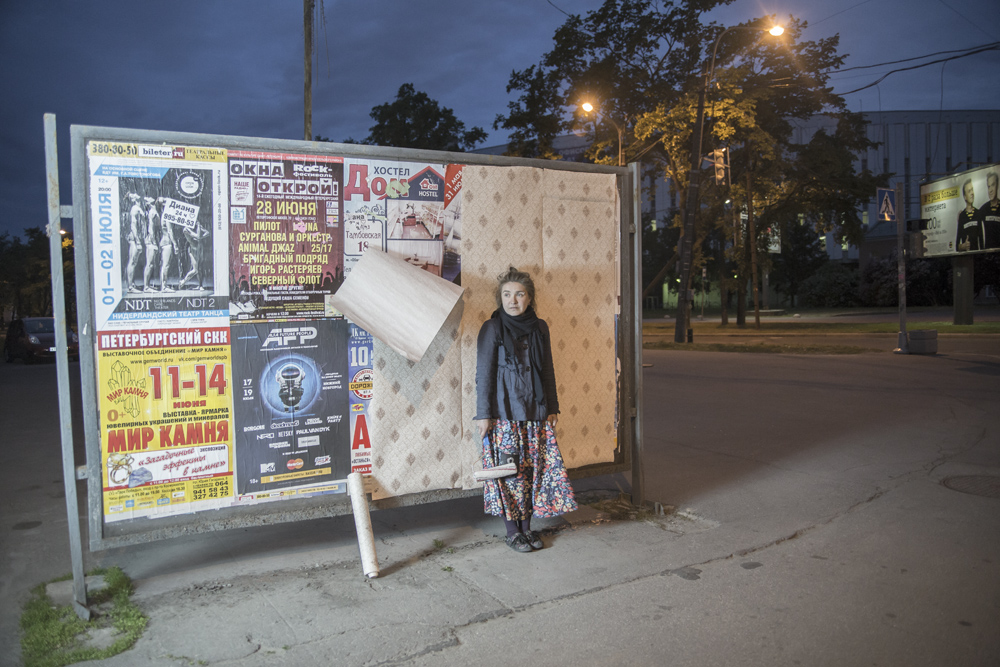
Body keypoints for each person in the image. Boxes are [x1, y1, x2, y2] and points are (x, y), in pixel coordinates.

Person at [474, 266, 577, 553]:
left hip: (535, 412)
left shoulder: (540, 327)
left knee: (533, 471)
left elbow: (547, 369)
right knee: (510, 472)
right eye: (507, 294)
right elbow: (484, 375)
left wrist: (552, 407)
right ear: (500, 298)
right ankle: (512, 531)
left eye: (519, 294)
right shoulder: (492, 328)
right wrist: (484, 415)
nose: (513, 300)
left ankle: (527, 528)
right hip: (504, 414)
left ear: (529, 298)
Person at [955, 178, 985, 252]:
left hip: (977, 256)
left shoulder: (978, 213)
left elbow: (981, 239)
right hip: (966, 257)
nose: (972, 193)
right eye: (969, 191)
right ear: (965, 197)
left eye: (972, 190)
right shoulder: (962, 216)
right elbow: (957, 246)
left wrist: (982, 255)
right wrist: (963, 246)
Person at [124, 193, 145, 292]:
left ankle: (132, 284)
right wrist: (137, 241)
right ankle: (130, 287)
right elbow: (133, 225)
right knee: (132, 261)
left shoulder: (138, 208)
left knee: (134, 262)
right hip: (134, 238)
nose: (136, 194)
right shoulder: (135, 209)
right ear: (132, 199)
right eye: (133, 194)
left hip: (137, 237)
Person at [142, 196, 160, 292]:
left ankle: (148, 285)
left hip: (151, 239)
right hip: (151, 240)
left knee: (151, 264)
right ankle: (146, 287)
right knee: (149, 264)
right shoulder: (152, 212)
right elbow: (151, 228)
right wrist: (154, 242)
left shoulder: (154, 211)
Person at [978, 171, 1000, 250]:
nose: (990, 190)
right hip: (987, 253)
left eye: (993, 185)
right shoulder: (983, 209)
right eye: (988, 186)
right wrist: (961, 216)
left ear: (997, 185)